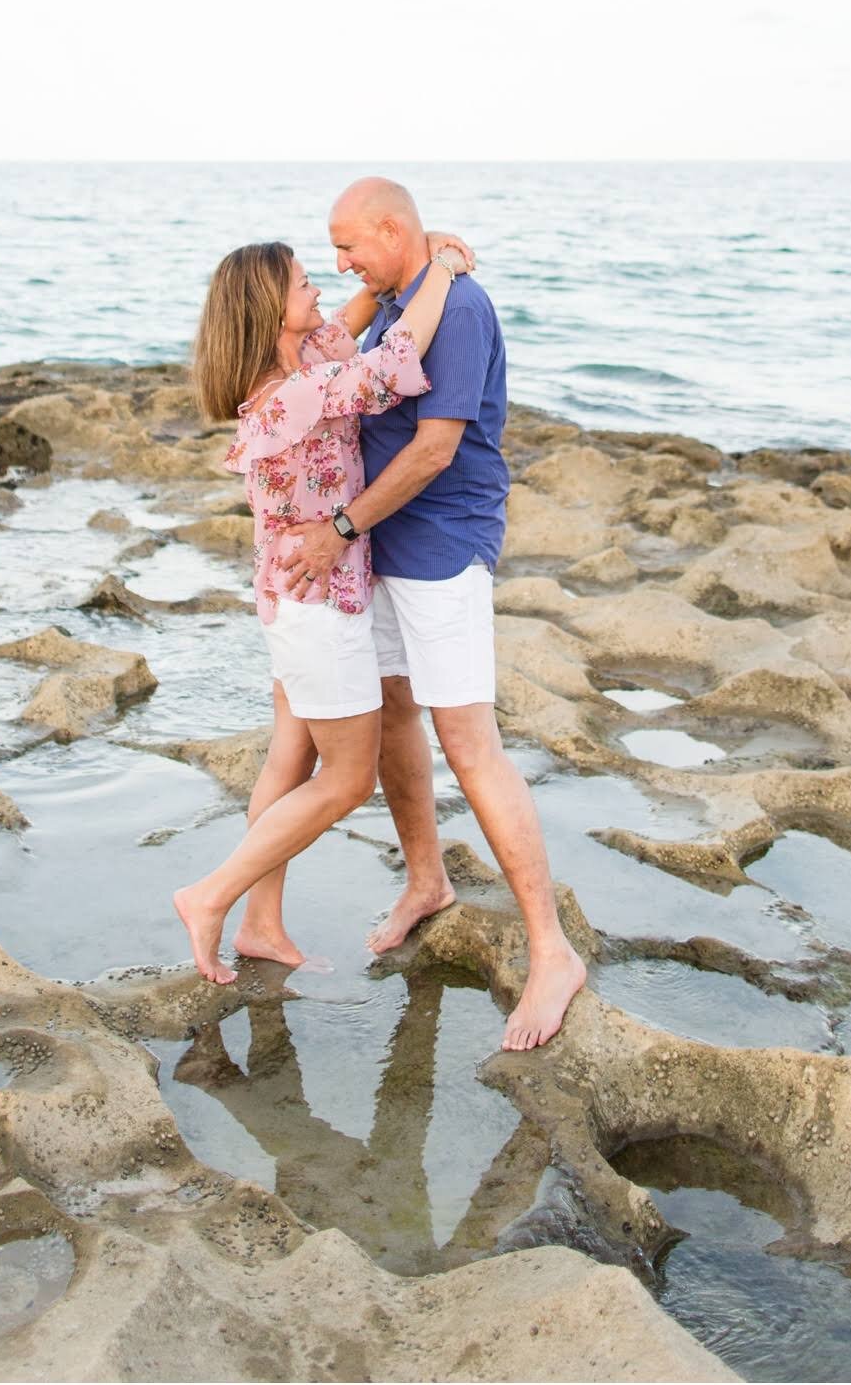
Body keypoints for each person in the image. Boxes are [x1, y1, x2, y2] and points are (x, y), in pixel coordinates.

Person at [276, 176, 587, 1050]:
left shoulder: (460, 307)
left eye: (349, 245)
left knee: (470, 741)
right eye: (331, 254)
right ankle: (426, 880)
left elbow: (436, 447)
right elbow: (347, 353)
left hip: (441, 543)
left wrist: (340, 525)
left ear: (389, 226)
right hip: (382, 543)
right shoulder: (400, 300)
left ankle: (553, 950)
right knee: (393, 717)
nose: (341, 262)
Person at [174, 229, 474, 985]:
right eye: (305, 281)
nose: (321, 285)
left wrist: (390, 269)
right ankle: (209, 895)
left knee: (290, 753)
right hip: (318, 603)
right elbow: (394, 360)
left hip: (290, 597)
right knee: (345, 780)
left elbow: (351, 323)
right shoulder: (293, 397)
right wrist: (440, 269)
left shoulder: (304, 358)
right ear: (273, 311)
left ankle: (260, 922)